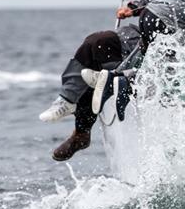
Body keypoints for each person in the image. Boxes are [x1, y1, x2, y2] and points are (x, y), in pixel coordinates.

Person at [39, 24, 141, 161]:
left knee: (99, 76)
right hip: (141, 36)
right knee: (99, 41)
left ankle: (109, 80)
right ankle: (75, 118)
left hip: (164, 46)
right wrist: (135, 4)